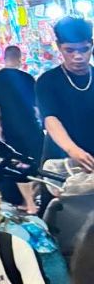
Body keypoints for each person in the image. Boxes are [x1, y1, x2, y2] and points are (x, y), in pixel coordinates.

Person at [0, 45, 44, 212]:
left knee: (18, 163)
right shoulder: (27, 78)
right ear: (19, 59)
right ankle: (32, 199)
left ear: (4, 58)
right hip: (31, 127)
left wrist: (1, 127)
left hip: (11, 127)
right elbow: (36, 107)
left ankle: (27, 201)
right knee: (36, 161)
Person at [37, 16, 94, 172]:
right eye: (70, 50)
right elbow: (51, 119)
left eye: (84, 49)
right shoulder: (47, 81)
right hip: (61, 158)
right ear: (59, 47)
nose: (78, 56)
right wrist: (72, 150)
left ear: (91, 45)